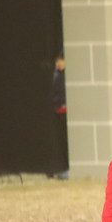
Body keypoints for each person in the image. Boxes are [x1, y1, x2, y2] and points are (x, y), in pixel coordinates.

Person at [50, 52, 69, 180]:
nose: (59, 63)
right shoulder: (56, 76)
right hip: (58, 111)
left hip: (65, 111)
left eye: (60, 60)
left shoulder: (66, 76)